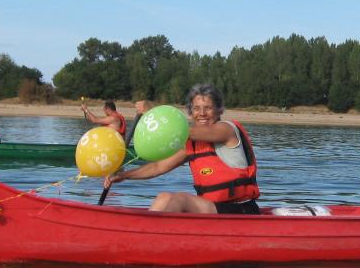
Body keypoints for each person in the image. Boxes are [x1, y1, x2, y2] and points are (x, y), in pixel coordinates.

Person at [103, 83, 260, 214]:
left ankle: (154, 238)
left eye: (208, 108)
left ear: (220, 110)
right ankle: (146, 236)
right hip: (215, 211)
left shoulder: (226, 130)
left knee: (179, 199)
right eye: (197, 108)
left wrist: (153, 112)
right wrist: (124, 175)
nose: (202, 114)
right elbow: (158, 166)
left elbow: (180, 131)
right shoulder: (191, 144)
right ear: (191, 112)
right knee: (164, 197)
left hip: (241, 210)